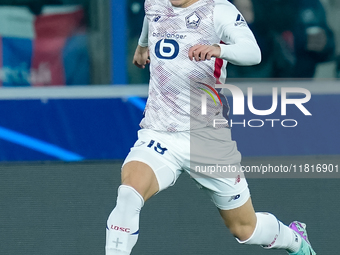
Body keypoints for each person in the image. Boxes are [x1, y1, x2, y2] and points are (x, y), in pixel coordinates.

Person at [105, 0, 317, 255]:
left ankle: (295, 239)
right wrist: (142, 46)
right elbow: (150, 18)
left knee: (245, 229)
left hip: (207, 138)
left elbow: (253, 53)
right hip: (160, 132)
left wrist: (219, 50)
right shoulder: (155, 3)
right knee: (128, 194)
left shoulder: (219, 10)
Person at [228, 0, 335, 79]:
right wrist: (248, 19)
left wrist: (325, 43)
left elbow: (329, 47)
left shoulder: (309, 4)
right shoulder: (242, 3)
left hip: (301, 86)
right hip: (252, 87)